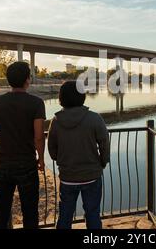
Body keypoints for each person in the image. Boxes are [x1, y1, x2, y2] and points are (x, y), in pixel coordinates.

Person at [0, 61, 46, 229]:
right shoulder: (36, 103)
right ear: (27, 80)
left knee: (1, 213)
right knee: (30, 214)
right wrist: (41, 159)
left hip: (2, 166)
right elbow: (38, 137)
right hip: (27, 166)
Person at [48, 81, 110, 229]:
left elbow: (52, 149)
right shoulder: (95, 118)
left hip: (68, 176)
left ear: (61, 98)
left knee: (65, 215)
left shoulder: (56, 121)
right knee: (93, 213)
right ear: (82, 96)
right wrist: (103, 162)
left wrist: (61, 160)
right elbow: (104, 144)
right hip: (91, 176)